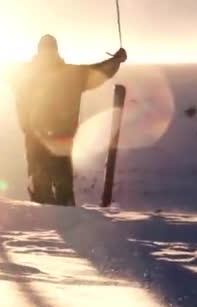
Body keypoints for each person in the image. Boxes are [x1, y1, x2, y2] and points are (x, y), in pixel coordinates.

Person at [8, 34, 127, 206]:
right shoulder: (71, 75)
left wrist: (116, 61)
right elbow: (99, 72)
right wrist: (116, 61)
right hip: (57, 139)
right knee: (59, 189)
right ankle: (63, 222)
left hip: (40, 140)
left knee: (44, 190)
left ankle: (45, 226)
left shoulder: (24, 74)